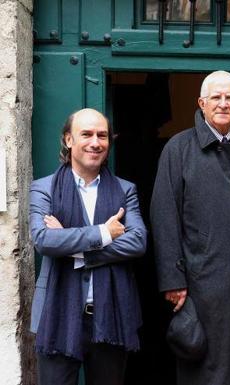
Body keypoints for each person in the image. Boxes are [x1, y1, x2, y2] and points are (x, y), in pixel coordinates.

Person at [151, 70, 230, 385]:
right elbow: (164, 216)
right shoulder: (178, 149)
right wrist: (172, 280)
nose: (223, 103)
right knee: (206, 367)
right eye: (216, 97)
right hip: (200, 282)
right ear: (202, 102)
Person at [29, 108, 147, 385]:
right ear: (69, 140)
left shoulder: (125, 190)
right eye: (87, 134)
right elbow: (43, 240)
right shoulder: (43, 188)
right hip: (56, 315)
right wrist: (105, 233)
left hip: (111, 315)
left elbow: (138, 241)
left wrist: (72, 245)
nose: (96, 142)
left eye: (102, 135)